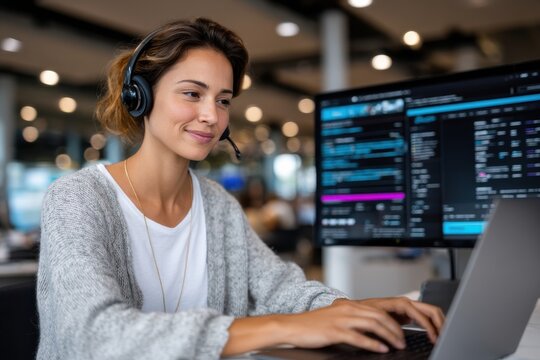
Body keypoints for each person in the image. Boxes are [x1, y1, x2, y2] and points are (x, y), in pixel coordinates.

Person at [37, 18, 444, 360]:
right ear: (140, 97)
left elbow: (281, 288)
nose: (211, 116)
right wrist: (282, 327)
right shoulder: (77, 198)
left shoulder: (216, 204)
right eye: (192, 94)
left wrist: (349, 309)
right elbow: (91, 335)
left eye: (223, 99)